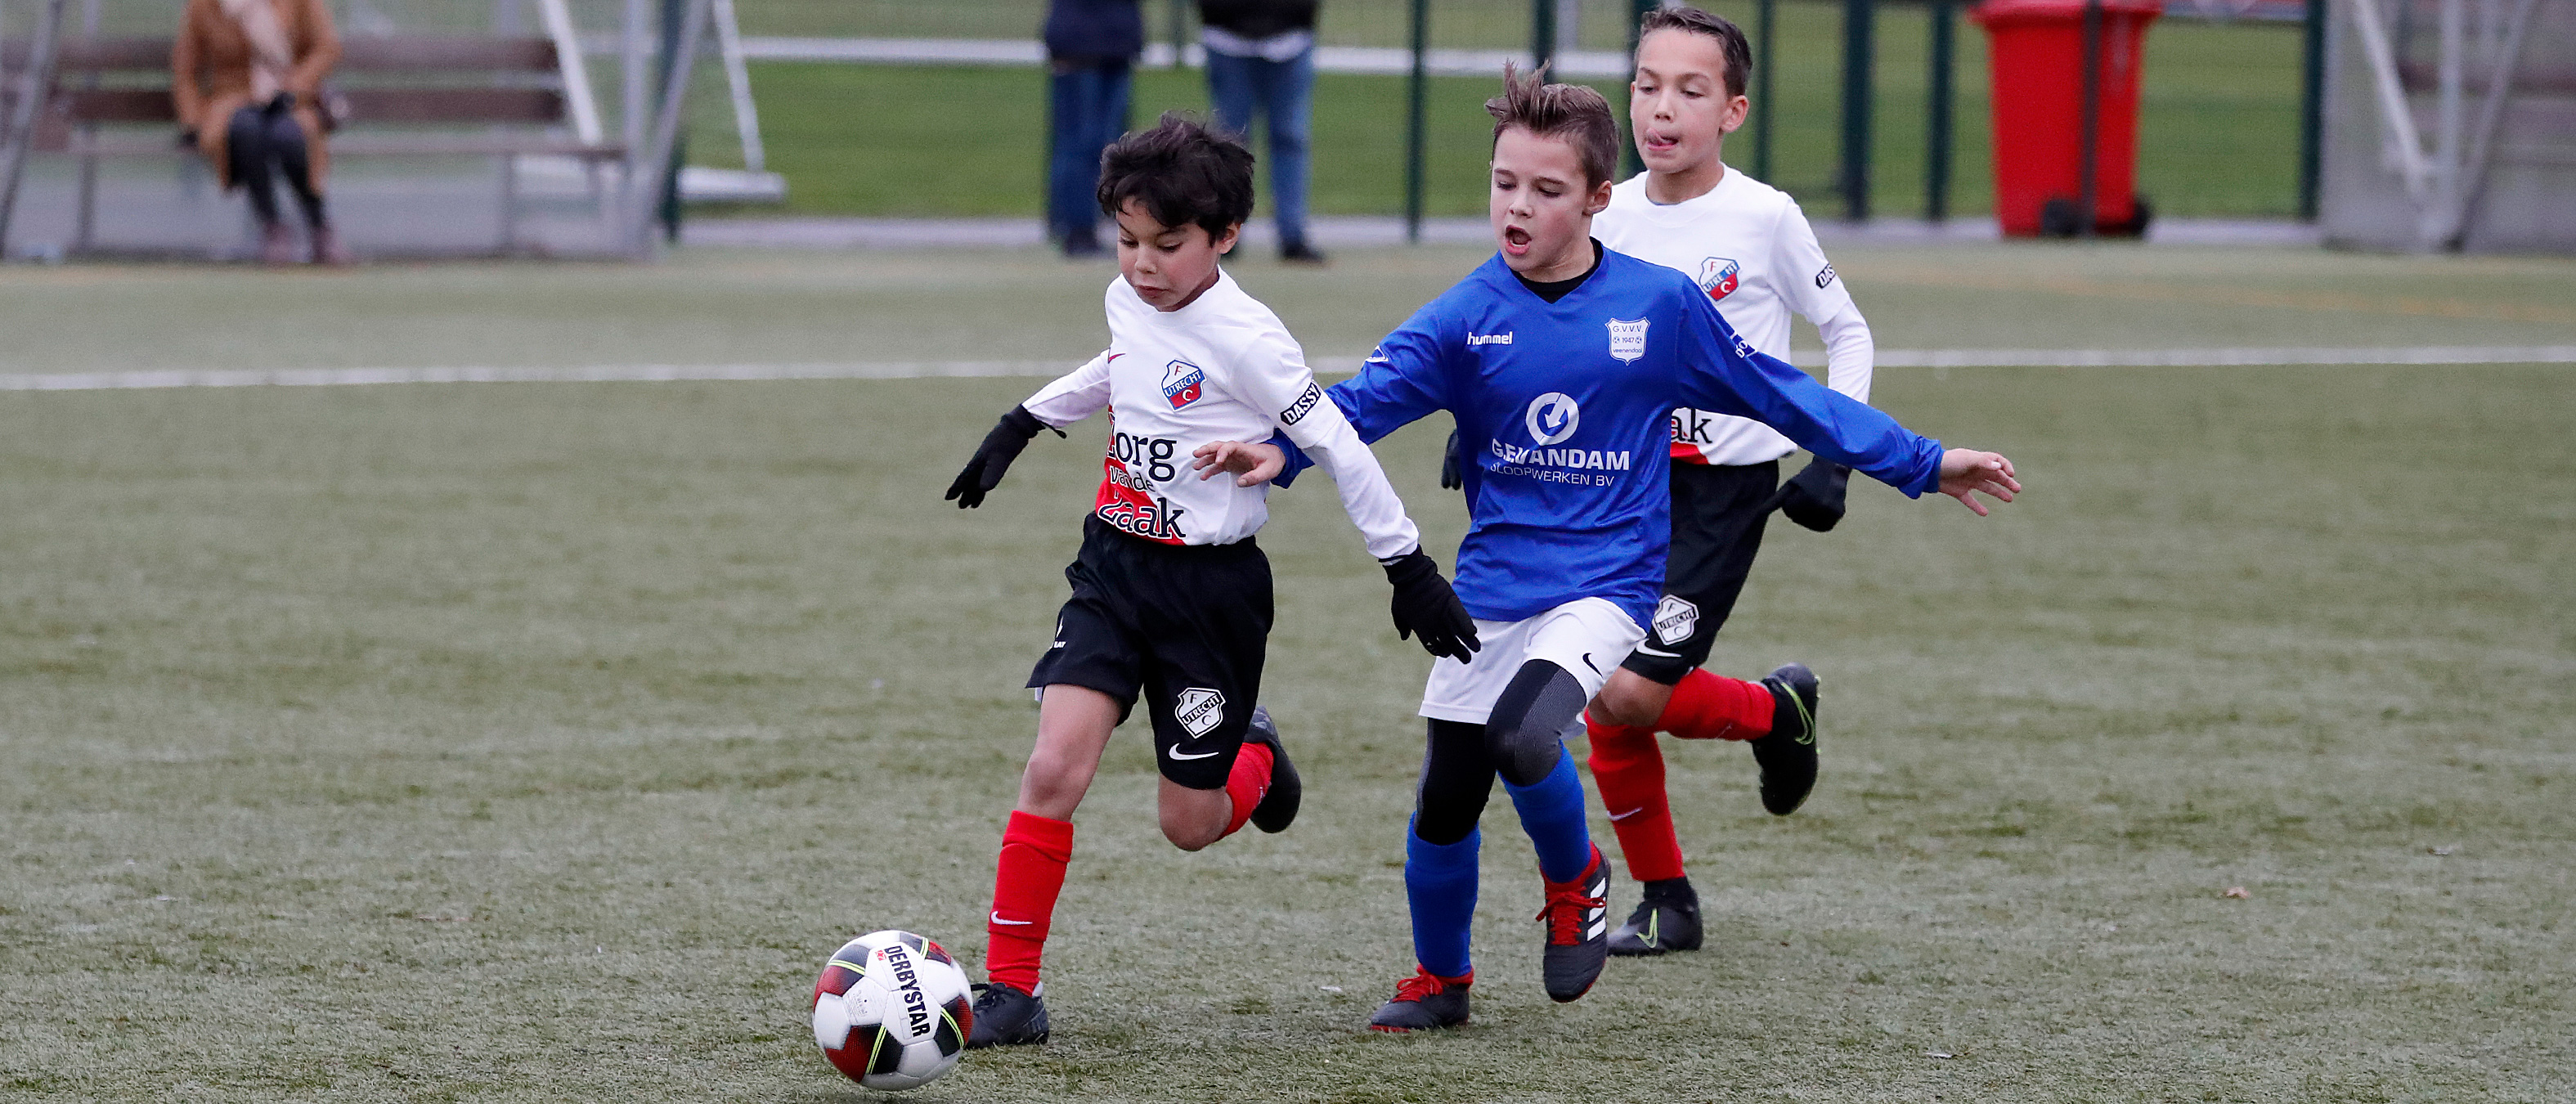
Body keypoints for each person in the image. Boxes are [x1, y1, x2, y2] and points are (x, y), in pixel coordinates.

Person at [1257, 68, 2017, 1032]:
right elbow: (1353, 408)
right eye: (1504, 183)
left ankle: (1578, 881)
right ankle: (1440, 981)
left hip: (1607, 583)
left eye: (1546, 189)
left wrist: (1918, 462)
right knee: (1445, 802)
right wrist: (1270, 451)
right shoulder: (1463, 314)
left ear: (1595, 202)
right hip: (1495, 581)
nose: (1517, 207)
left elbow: (1787, 395)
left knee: (1525, 735)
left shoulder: (1658, 308)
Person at [940, 114, 1478, 1048]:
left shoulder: (1250, 339)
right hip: (1112, 569)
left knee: (1187, 825)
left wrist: (1410, 569)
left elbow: (1340, 448)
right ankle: (1013, 993)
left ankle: (1257, 756)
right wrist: (1025, 420)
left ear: (1224, 236)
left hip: (1211, 597)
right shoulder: (1129, 293)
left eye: (1168, 245)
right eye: (1128, 240)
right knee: (1052, 766)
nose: (1143, 265)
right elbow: (1122, 363)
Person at [1572, 4, 1891, 957]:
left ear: (1734, 111)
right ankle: (1667, 900)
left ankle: (1769, 711)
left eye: (1690, 90)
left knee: (1628, 693)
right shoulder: (1608, 211)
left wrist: (1838, 454)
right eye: (1646, 85)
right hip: (1617, 483)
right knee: (1600, 689)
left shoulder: (1763, 217)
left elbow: (1849, 332)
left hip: (1721, 493)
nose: (1661, 108)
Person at [173, 0, 344, 265]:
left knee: (289, 135)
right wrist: (192, 121)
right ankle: (273, 226)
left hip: (290, 98)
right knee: (246, 130)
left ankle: (319, 225)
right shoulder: (204, 6)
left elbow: (326, 48)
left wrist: (294, 87)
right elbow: (186, 69)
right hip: (232, 100)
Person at [1198, 0, 1326, 264]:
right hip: (1227, 38)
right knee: (1229, 145)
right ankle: (1225, 233)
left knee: (1290, 139)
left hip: (1291, 39)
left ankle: (1292, 236)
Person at [1043, 0, 1143, 258]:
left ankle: (1090, 225)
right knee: (1079, 143)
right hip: (1078, 41)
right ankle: (1075, 229)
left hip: (1117, 40)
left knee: (1109, 144)